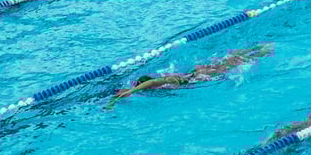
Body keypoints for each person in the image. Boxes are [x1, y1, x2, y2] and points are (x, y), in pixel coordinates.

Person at [111, 43, 274, 100]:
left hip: (200, 77)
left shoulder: (168, 81)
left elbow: (152, 82)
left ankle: (263, 51)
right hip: (195, 74)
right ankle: (257, 49)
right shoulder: (168, 80)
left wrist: (131, 92)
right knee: (229, 60)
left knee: (231, 63)